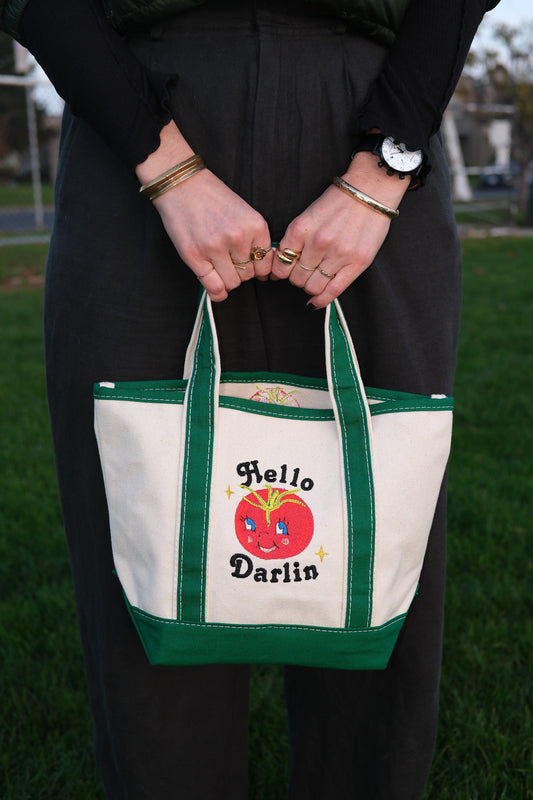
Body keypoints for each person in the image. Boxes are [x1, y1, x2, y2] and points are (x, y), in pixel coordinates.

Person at [1, 0, 498, 797]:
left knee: (377, 553)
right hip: (132, 106)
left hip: (372, 103)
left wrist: (382, 170)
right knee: (148, 549)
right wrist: (165, 165)